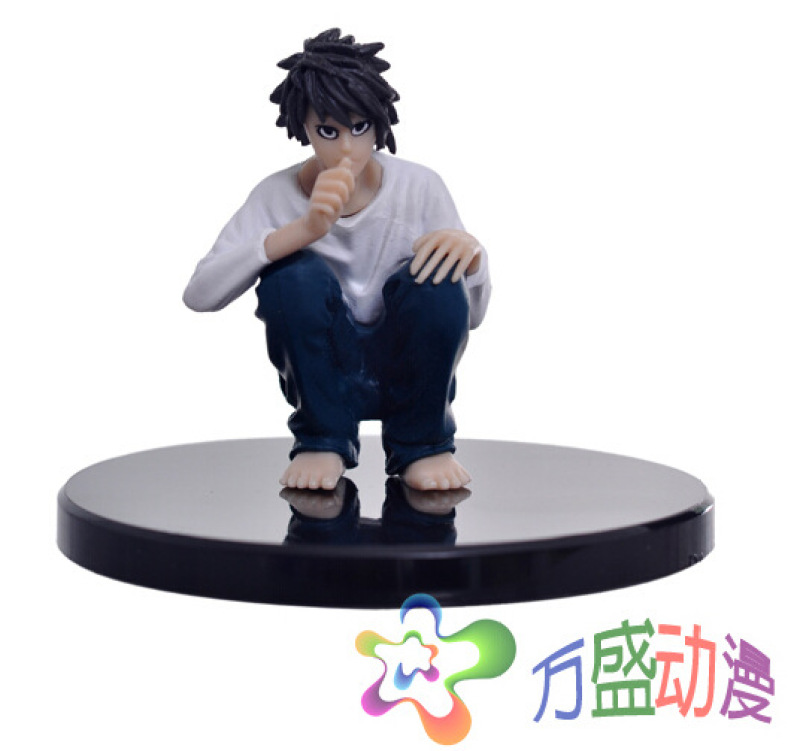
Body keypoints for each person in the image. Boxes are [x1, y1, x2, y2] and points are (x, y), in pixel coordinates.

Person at [183, 29, 491, 491]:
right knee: (291, 278)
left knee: (437, 276)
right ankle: (322, 439)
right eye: (328, 131)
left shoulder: (420, 186)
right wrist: (303, 231)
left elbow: (472, 317)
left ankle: (424, 445)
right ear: (304, 129)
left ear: (380, 123)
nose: (347, 148)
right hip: (322, 367)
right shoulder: (275, 194)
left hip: (410, 361)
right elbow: (200, 294)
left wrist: (473, 264)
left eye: (360, 128)